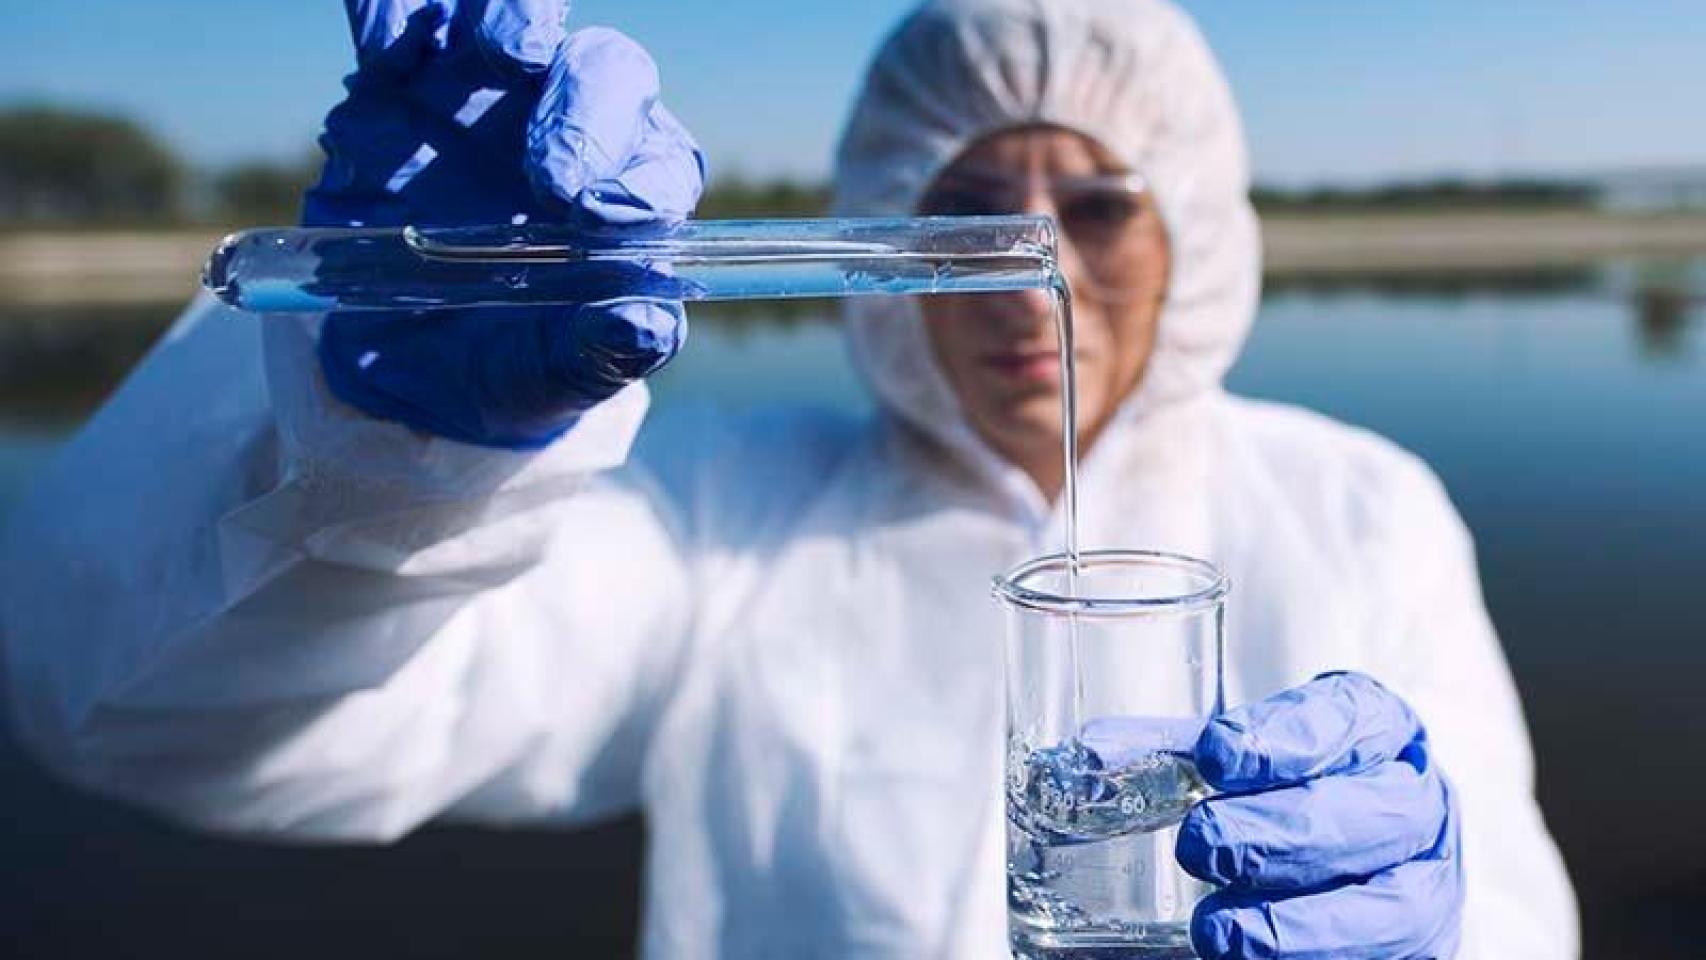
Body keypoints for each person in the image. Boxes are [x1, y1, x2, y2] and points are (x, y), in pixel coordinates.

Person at [0, 0, 1578, 956]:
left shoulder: (1358, 506)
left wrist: (1431, 942)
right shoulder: (731, 516)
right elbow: (161, 723)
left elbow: (1507, 909)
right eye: (967, 207)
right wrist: (385, 459)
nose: (1034, 266)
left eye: (1097, 206)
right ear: (891, 242)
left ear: (1193, 234)